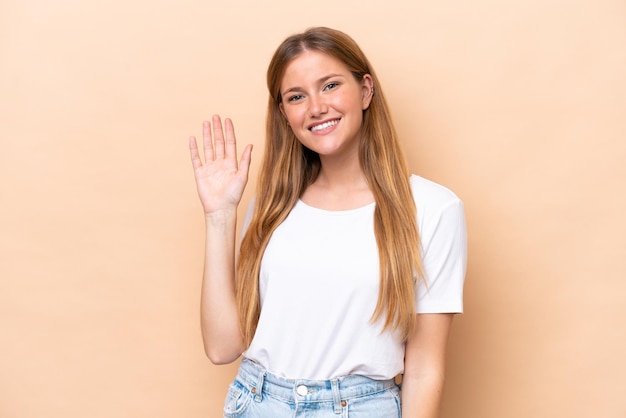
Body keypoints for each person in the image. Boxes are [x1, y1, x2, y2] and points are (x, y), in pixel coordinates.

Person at [188, 26, 466, 418]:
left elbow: (424, 371)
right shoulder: (271, 210)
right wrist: (219, 217)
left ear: (366, 89)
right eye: (296, 96)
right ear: (285, 114)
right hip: (257, 403)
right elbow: (222, 347)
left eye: (330, 85)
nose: (316, 107)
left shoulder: (431, 209)